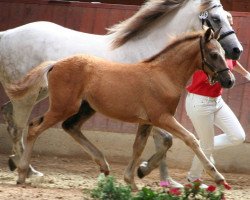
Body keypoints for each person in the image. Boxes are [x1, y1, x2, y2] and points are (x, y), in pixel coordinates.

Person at [185, 59, 250, 188]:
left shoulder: (226, 50)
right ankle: (193, 179)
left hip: (217, 102)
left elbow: (233, 62)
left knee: (238, 137)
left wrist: (247, 74)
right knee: (206, 146)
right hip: (199, 102)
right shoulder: (207, 54)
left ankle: (202, 147)